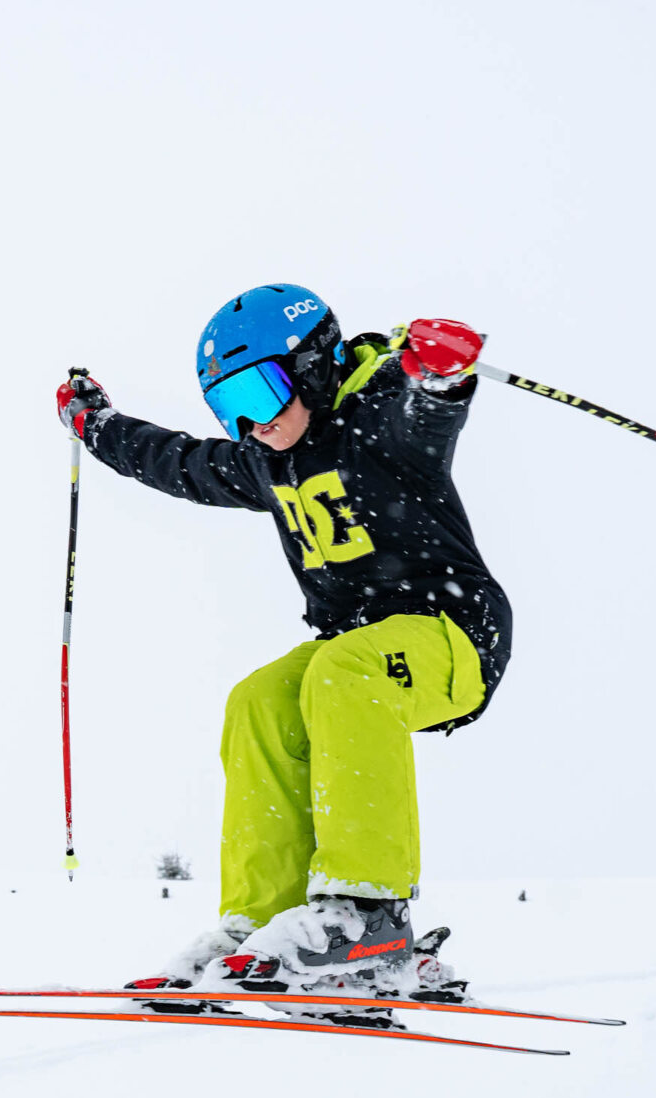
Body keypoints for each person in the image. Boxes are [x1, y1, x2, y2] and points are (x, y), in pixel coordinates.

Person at [57, 283, 510, 997]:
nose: (250, 424)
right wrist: (98, 426)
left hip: (451, 638)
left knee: (340, 671)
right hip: (356, 648)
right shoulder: (266, 461)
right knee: (260, 702)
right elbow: (177, 461)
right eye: (228, 408)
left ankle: (368, 914)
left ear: (311, 367)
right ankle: (260, 926)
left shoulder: (380, 419)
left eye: (260, 395)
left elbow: (427, 413)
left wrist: (438, 375)